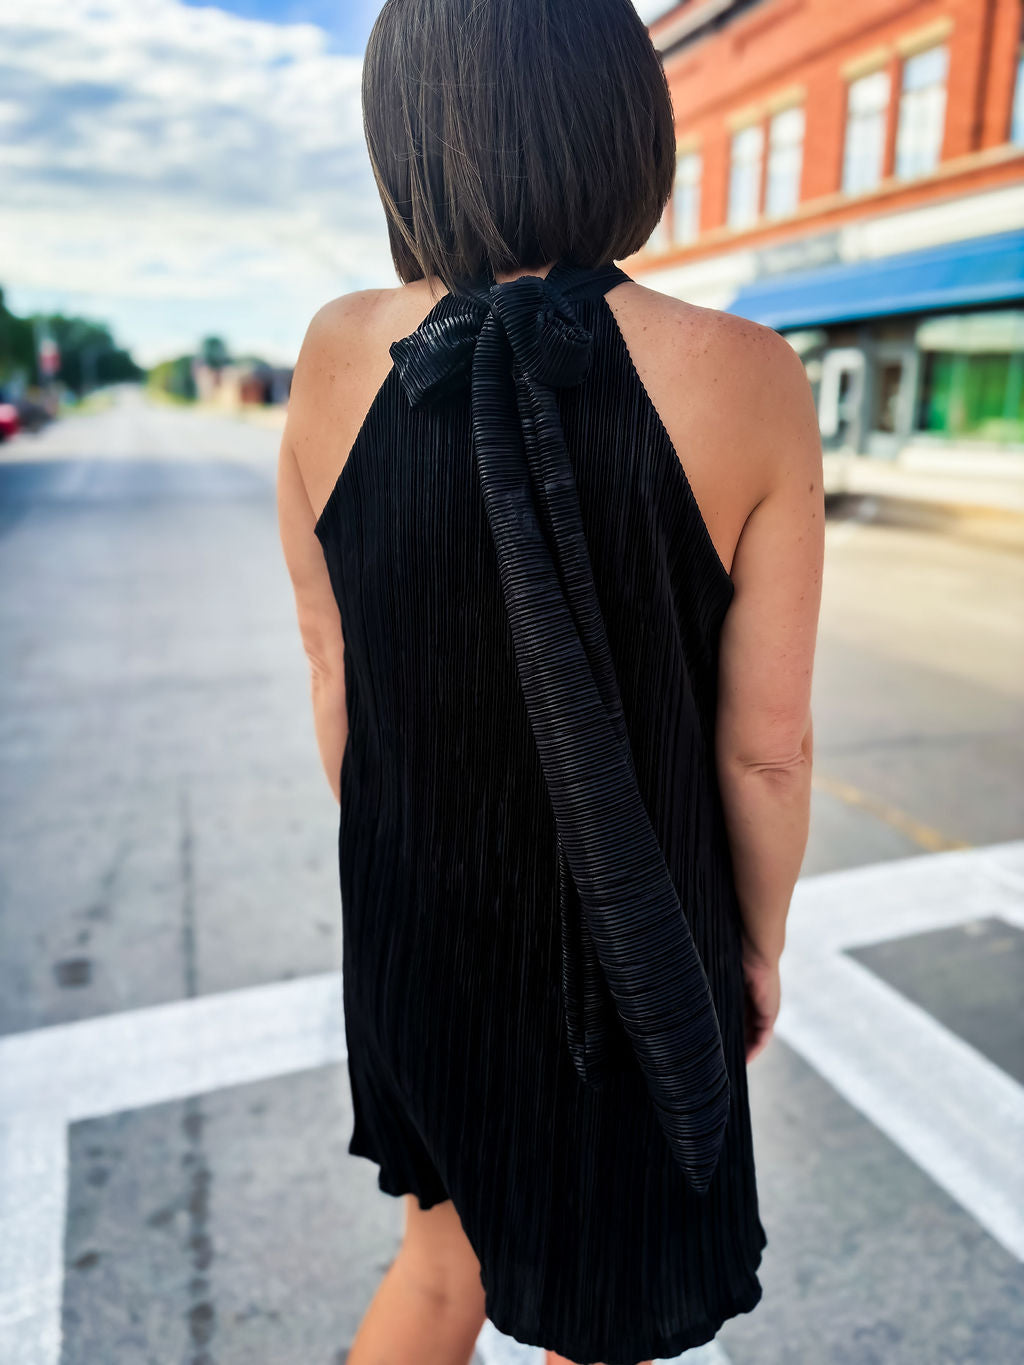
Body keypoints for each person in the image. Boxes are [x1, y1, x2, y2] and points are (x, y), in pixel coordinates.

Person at [276, 1, 823, 1362]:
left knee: (438, 1265)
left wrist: (418, 877)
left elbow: (338, 680)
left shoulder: (339, 355)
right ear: (627, 123)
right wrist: (749, 947)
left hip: (416, 917)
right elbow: (766, 750)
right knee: (602, 1317)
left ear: (404, 138)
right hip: (624, 949)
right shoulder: (746, 375)